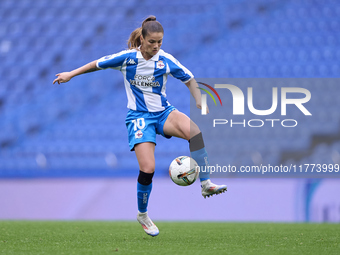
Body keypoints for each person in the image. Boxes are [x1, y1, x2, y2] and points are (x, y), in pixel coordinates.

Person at [53, 15, 227, 237]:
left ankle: (206, 183)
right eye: (152, 42)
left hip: (164, 112)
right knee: (148, 169)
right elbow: (95, 64)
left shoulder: (165, 60)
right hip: (139, 117)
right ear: (142, 39)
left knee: (195, 133)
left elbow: (189, 79)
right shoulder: (127, 59)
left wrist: (199, 99)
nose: (156, 46)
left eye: (160, 42)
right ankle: (143, 214)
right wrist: (70, 74)